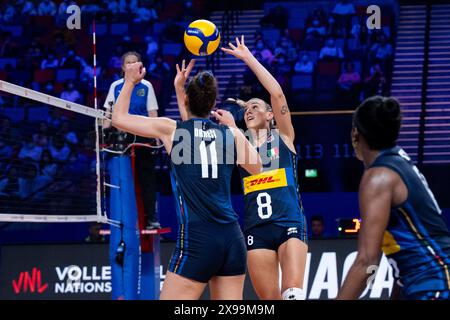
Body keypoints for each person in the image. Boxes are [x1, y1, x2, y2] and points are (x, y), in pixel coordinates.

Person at [112, 60, 262, 299]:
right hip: (232, 240)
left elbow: (118, 118)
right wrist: (233, 127)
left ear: (187, 101)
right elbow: (257, 168)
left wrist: (130, 81)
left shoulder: (172, 130)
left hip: (198, 239)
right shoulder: (229, 134)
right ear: (213, 103)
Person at [212, 36, 308, 300]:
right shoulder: (238, 145)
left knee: (293, 294)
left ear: (270, 115)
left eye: (256, 106)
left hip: (289, 223)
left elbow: (277, 94)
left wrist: (248, 58)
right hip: (257, 230)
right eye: (247, 108)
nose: (250, 110)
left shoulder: (284, 138)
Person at [337, 96, 450, 300]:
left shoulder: (378, 177)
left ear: (355, 134)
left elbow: (367, 263)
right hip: (428, 280)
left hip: (435, 284)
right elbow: (402, 272)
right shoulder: (399, 161)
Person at [104, 51, 160, 229]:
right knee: (122, 179)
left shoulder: (147, 86)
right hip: (122, 138)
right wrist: (105, 133)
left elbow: (152, 113)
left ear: (140, 66)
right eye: (128, 63)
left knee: (147, 180)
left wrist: (157, 135)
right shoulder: (115, 86)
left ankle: (151, 218)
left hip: (143, 135)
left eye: (135, 62)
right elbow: (108, 113)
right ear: (123, 67)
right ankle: (119, 220)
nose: (131, 65)